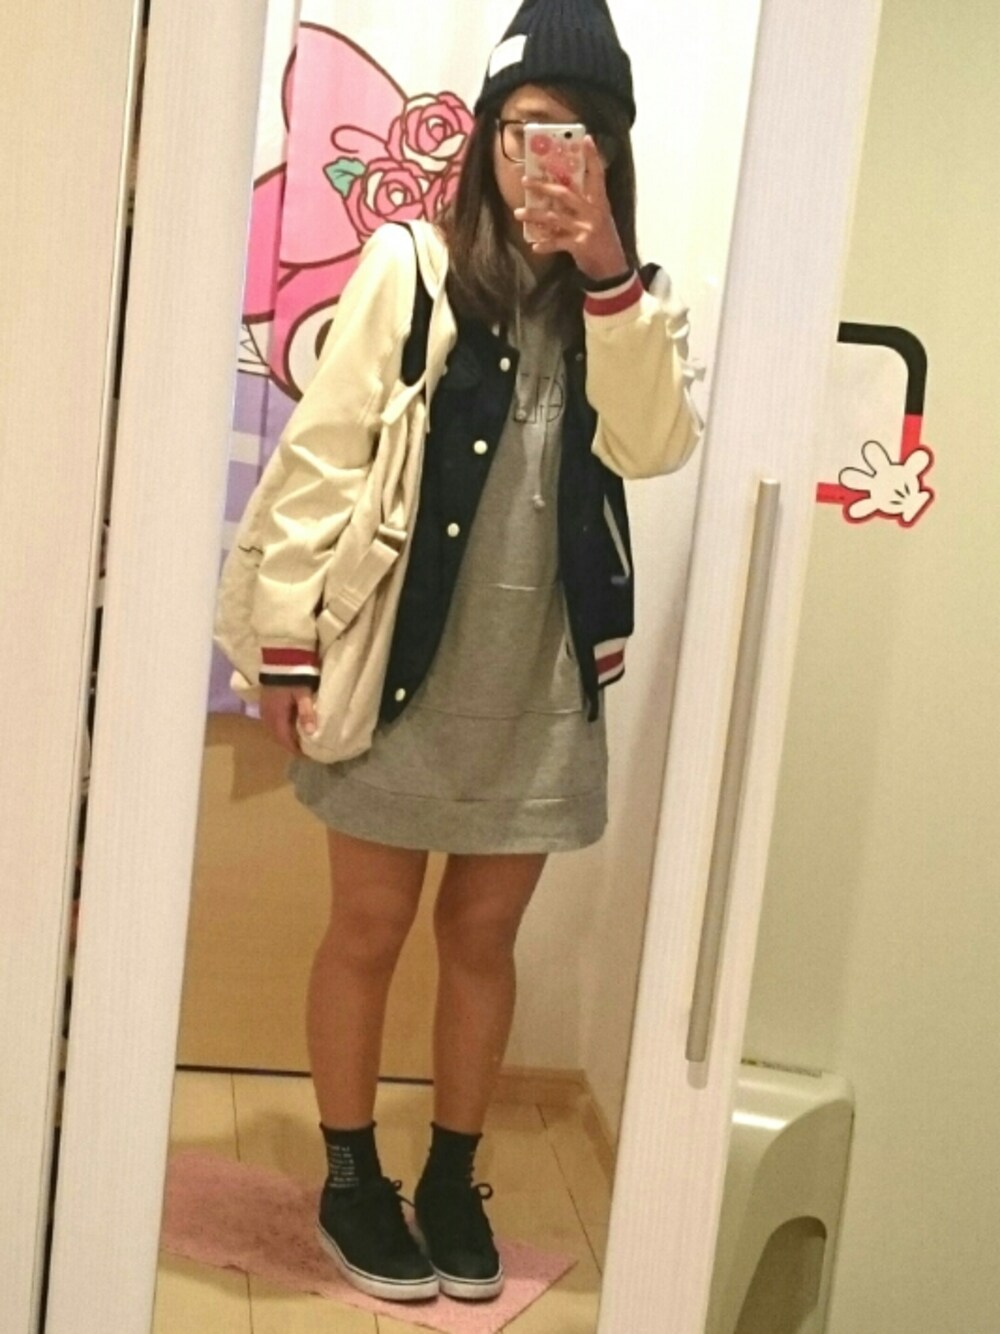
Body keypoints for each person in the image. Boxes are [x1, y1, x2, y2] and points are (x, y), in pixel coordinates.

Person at [240, 0, 701, 1306]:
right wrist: (286, 639)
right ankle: (350, 1173)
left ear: (608, 151)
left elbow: (655, 444)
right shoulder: (413, 263)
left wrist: (606, 268)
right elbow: (325, 453)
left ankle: (451, 1174)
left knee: (484, 937)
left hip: (538, 675)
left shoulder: (633, 300)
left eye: (576, 133)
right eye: (525, 127)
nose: (544, 156)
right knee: (369, 924)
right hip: (401, 658)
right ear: (489, 134)